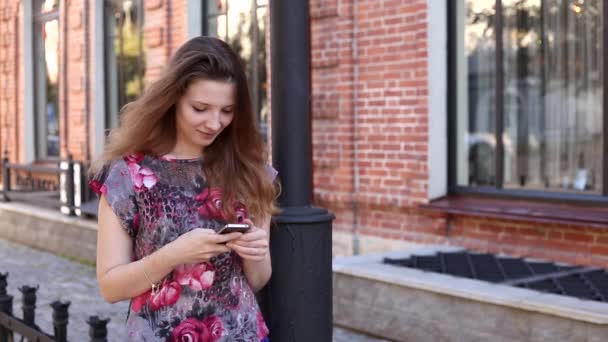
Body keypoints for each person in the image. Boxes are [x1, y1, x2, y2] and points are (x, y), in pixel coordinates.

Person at [89, 36, 278, 342]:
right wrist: (175, 254)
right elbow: (110, 287)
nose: (215, 123)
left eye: (227, 110)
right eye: (200, 108)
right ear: (173, 98)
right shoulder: (130, 174)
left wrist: (257, 254)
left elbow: (256, 281)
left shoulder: (251, 172)